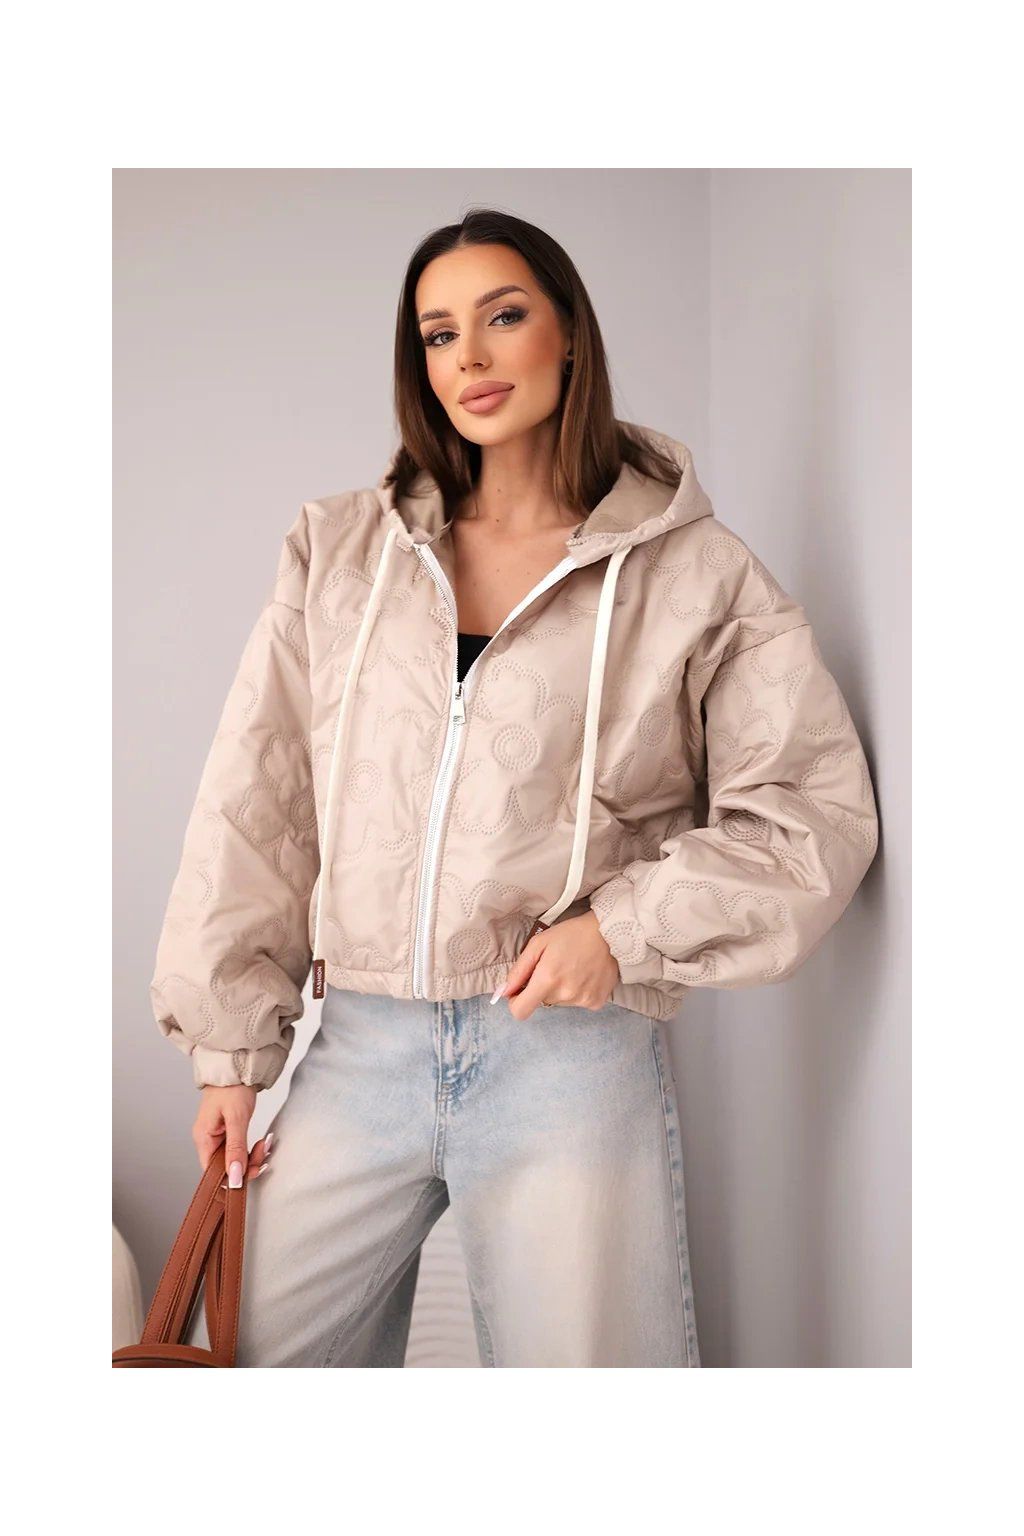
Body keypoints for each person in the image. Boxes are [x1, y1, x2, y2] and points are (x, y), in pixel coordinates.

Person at [150, 207, 879, 1367]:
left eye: (503, 317)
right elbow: (258, 798)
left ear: (569, 334)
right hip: (360, 1046)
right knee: (244, 1378)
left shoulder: (695, 575)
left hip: (569, 1060)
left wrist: (620, 931)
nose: (470, 358)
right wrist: (231, 1057)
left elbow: (810, 813)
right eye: (439, 334)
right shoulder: (339, 552)